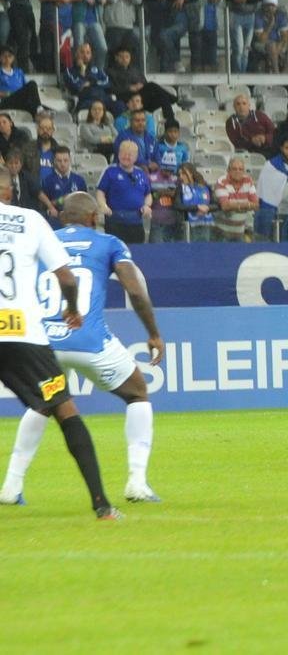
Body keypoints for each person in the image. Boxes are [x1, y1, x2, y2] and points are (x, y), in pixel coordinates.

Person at [2, 191, 163, 506]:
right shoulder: (109, 243)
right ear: (95, 217)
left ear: (62, 217)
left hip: (44, 340)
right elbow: (135, 290)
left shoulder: (40, 236)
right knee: (137, 392)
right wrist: (154, 334)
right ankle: (137, 482)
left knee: (44, 404)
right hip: (88, 338)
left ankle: (11, 486)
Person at [0, 169, 121, 518]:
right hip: (25, 336)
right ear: (11, 192)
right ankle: (102, 507)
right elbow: (66, 277)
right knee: (65, 410)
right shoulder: (31, 220)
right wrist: (71, 308)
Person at [96, 140, 150, 243]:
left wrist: (146, 206)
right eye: (123, 153)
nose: (126, 157)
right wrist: (103, 206)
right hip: (115, 222)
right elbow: (100, 192)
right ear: (118, 154)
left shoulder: (141, 173)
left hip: (136, 222)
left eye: (130, 154)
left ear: (136, 157)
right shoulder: (110, 171)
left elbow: (148, 194)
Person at [214, 157, 259, 242]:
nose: (238, 171)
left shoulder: (248, 181)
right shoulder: (222, 181)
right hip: (222, 234)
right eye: (234, 169)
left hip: (241, 232)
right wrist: (246, 204)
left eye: (240, 169)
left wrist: (234, 205)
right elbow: (225, 206)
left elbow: (256, 204)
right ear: (228, 170)